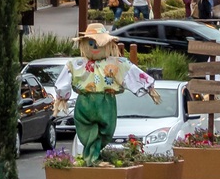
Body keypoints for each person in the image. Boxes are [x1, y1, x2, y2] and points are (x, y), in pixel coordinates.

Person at [66, 24, 158, 164]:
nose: (95, 48)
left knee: (106, 130)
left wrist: (148, 86)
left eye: (98, 44)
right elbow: (65, 77)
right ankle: (92, 159)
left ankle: (93, 156)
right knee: (87, 130)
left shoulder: (117, 63)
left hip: (106, 101)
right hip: (85, 100)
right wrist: (61, 97)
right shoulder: (76, 64)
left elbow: (131, 72)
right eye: (91, 44)